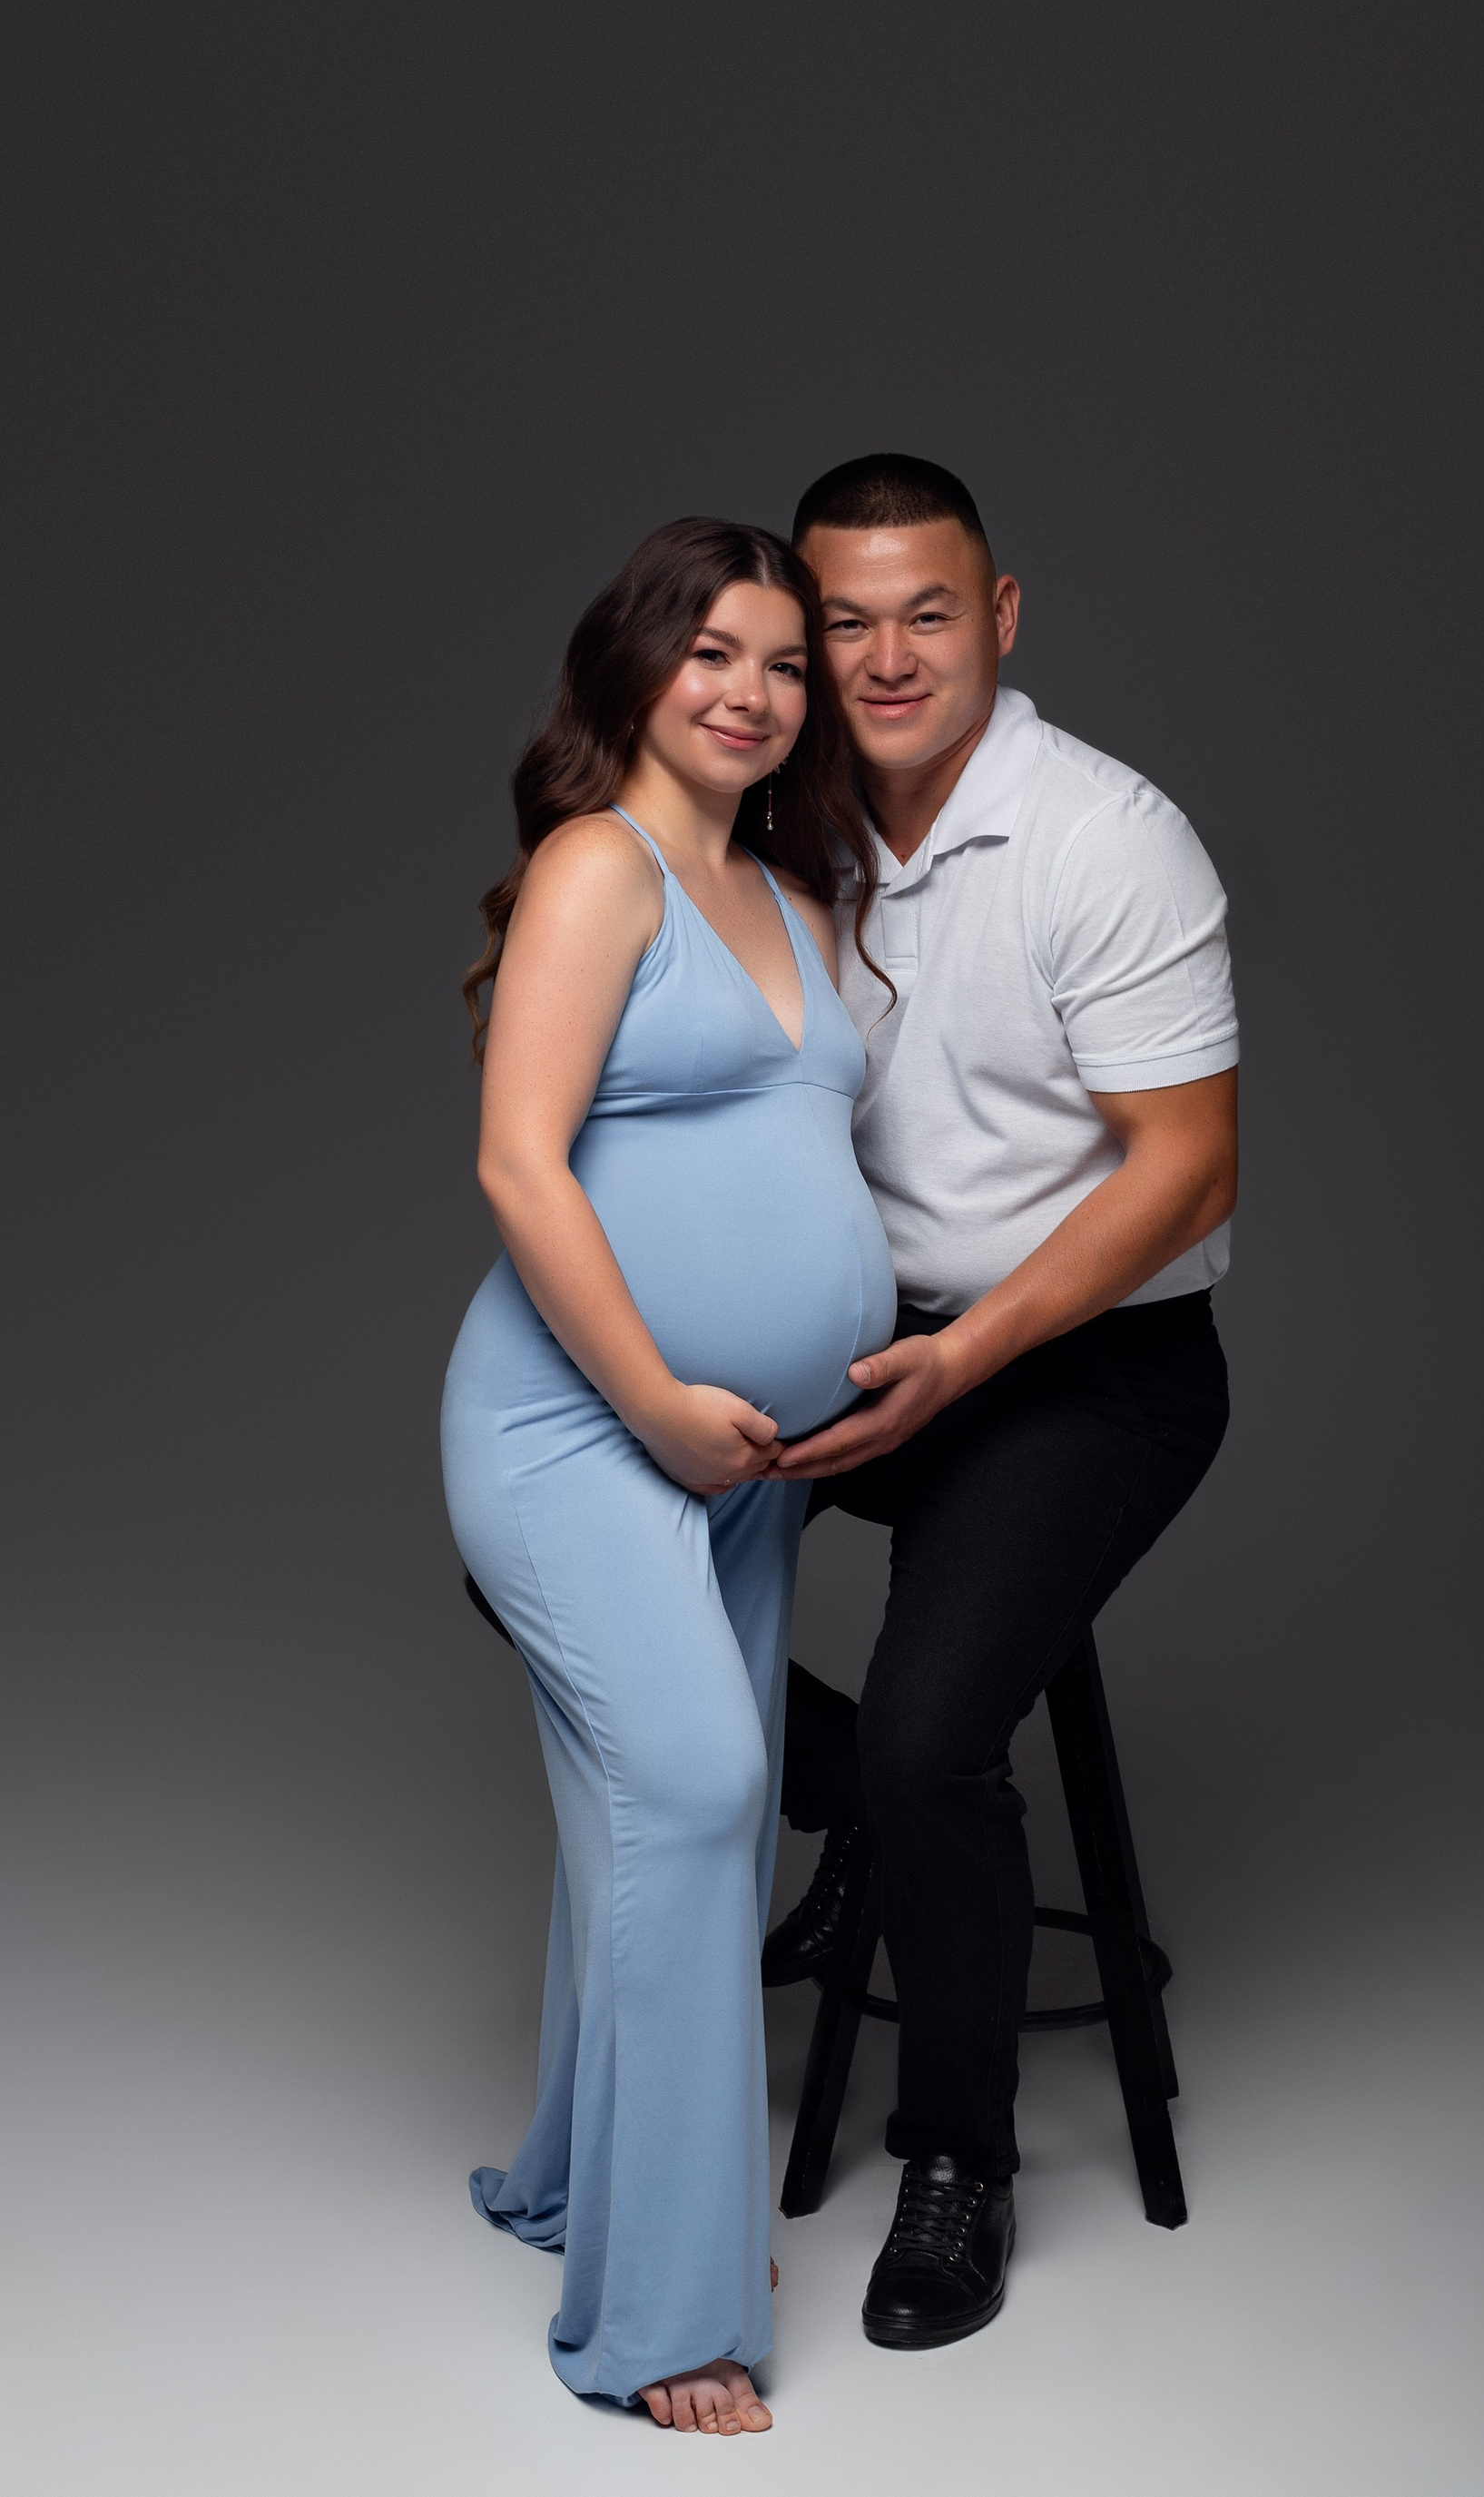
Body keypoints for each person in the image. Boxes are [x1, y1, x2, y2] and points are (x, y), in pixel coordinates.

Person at [762, 454, 1240, 2350]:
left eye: (928, 612)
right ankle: (862, 1820)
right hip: (867, 1331)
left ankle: (959, 2156)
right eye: (846, 621)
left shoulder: (1104, 835)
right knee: (550, 1543)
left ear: (1003, 615)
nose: (887, 657)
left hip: (1088, 1366)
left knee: (927, 1734)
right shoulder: (791, 821)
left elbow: (1187, 1173)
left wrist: (967, 1358)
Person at [441, 519, 897, 2431]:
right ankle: (666, 2317)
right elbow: (520, 1164)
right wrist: (651, 1401)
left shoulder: (792, 891)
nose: (754, 692)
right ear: (636, 665)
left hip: (748, 1457)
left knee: (654, 1816)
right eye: (714, 651)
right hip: (580, 1424)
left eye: (786, 663)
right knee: (704, 1785)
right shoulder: (597, 866)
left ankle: (618, 2188)